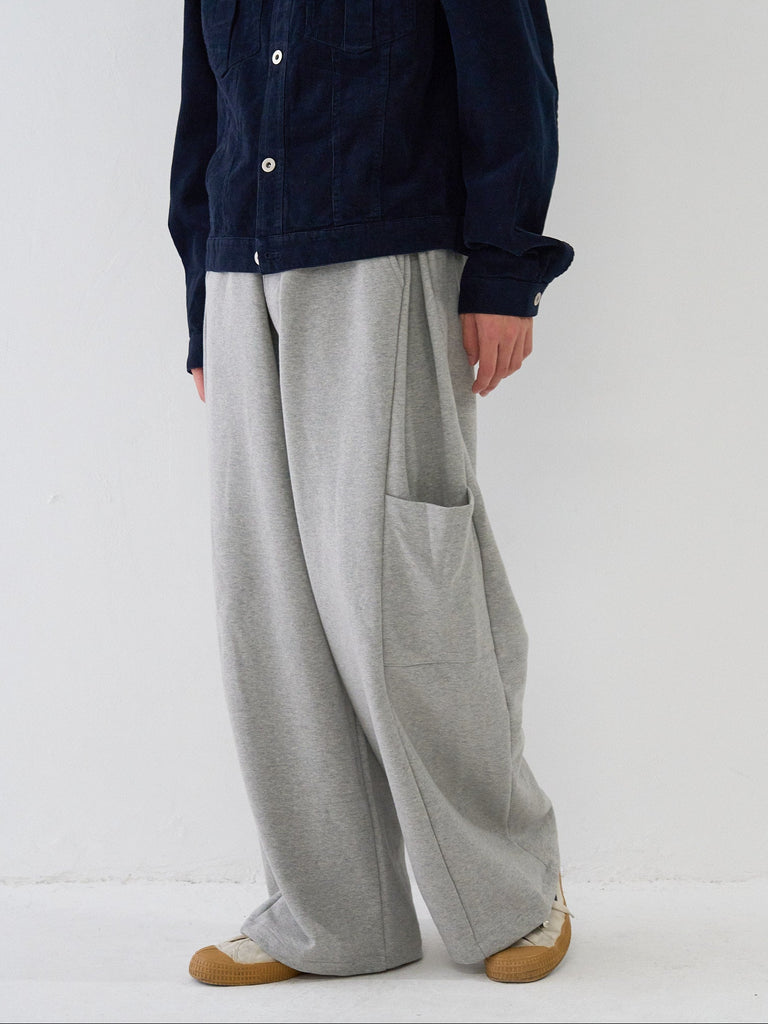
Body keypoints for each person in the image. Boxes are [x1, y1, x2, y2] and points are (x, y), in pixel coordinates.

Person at [168, 0, 575, 987]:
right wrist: (202, 305)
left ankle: (513, 893)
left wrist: (505, 273)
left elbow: (509, 82)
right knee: (269, 610)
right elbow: (203, 111)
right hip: (241, 271)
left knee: (404, 595)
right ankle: (336, 917)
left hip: (385, 257)